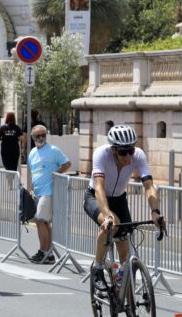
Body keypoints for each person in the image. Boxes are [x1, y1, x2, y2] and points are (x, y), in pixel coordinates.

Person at [85, 124, 165, 296]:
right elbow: (99, 188)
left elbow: (149, 186)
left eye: (131, 150)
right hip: (95, 197)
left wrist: (155, 211)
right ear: (114, 150)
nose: (129, 155)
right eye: (123, 152)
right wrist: (107, 216)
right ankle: (97, 268)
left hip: (119, 199)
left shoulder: (138, 155)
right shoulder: (101, 154)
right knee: (113, 225)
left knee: (126, 258)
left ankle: (130, 311)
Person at [27, 125, 71, 264]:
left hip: (49, 191)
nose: (40, 138)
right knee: (45, 222)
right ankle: (49, 254)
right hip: (38, 191)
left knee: (40, 220)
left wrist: (58, 172)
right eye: (37, 136)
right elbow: (33, 172)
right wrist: (30, 188)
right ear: (32, 137)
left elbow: (67, 163)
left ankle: (42, 251)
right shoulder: (32, 152)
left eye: (43, 135)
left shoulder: (53, 150)